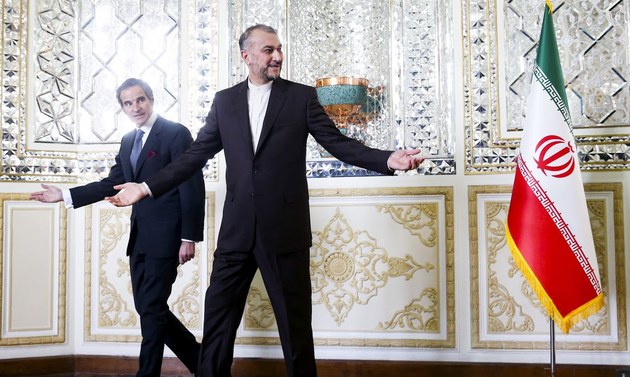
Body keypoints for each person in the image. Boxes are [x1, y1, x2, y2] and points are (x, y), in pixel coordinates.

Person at [105, 25, 424, 377]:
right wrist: (146, 187)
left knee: (294, 327)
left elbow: (338, 143)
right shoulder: (225, 101)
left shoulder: (301, 97)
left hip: (284, 230)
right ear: (247, 56)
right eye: (269, 50)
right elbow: (193, 156)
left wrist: (387, 159)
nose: (278, 57)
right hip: (236, 231)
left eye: (279, 49)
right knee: (218, 322)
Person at [30, 78, 205, 377]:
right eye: (128, 103)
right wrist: (66, 195)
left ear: (151, 100)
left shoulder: (175, 134)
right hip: (140, 238)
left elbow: (192, 185)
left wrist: (188, 237)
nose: (135, 107)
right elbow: (110, 183)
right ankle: (205, 364)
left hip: (168, 237)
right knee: (150, 309)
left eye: (140, 100)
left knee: (151, 309)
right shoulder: (128, 141)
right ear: (122, 107)